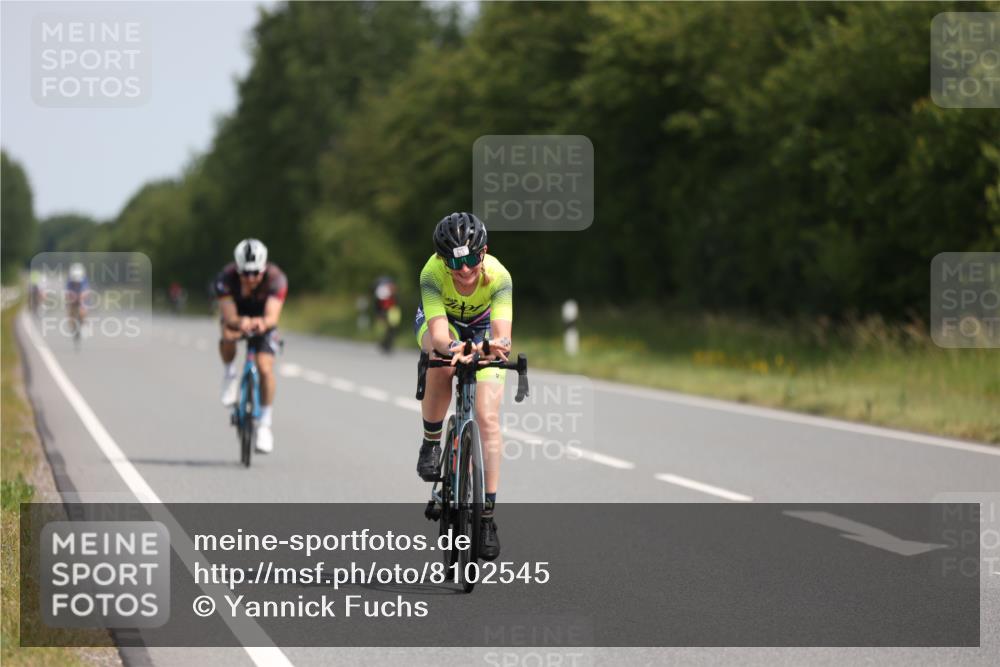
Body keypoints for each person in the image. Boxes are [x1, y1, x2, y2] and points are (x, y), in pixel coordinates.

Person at [414, 212, 512, 561]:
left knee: (486, 418)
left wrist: (486, 349)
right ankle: (430, 443)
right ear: (442, 259)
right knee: (439, 366)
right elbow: (440, 335)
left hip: (484, 328)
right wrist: (455, 349)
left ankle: (486, 518)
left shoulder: (499, 277)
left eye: (471, 259)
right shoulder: (431, 273)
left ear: (483, 252)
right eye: (455, 262)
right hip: (445, 326)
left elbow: (503, 337)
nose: (465, 270)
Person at [214, 239, 288, 454]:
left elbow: (272, 316)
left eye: (255, 273)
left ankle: (265, 423)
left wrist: (261, 323)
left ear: (264, 269)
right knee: (227, 336)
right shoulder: (225, 278)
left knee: (265, 367)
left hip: (263, 320)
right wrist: (240, 323)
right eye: (245, 273)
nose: (251, 278)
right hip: (237, 317)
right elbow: (228, 315)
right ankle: (229, 374)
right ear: (237, 270)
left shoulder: (276, 279)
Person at [372, 275, 401, 353]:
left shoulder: (393, 293)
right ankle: (384, 344)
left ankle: (388, 345)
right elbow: (377, 304)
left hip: (392, 311)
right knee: (383, 329)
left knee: (392, 329)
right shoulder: (381, 292)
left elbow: (396, 302)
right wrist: (379, 314)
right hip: (383, 311)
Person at [65, 263, 89, 338]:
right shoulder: (69, 281)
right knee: (70, 311)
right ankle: (72, 324)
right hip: (73, 296)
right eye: (75, 281)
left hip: (81, 296)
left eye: (78, 281)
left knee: (83, 310)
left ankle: (84, 324)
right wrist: (71, 299)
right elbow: (67, 293)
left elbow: (87, 292)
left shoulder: (84, 280)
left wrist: (81, 300)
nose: (76, 282)